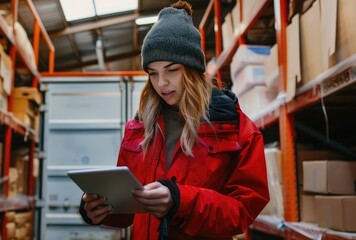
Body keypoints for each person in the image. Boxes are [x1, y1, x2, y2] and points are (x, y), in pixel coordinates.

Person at [79, 1, 269, 239]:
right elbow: (128, 207)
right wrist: (100, 209)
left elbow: (243, 211)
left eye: (172, 70)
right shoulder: (138, 128)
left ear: (192, 69)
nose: (161, 83)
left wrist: (180, 201)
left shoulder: (236, 129)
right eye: (153, 73)